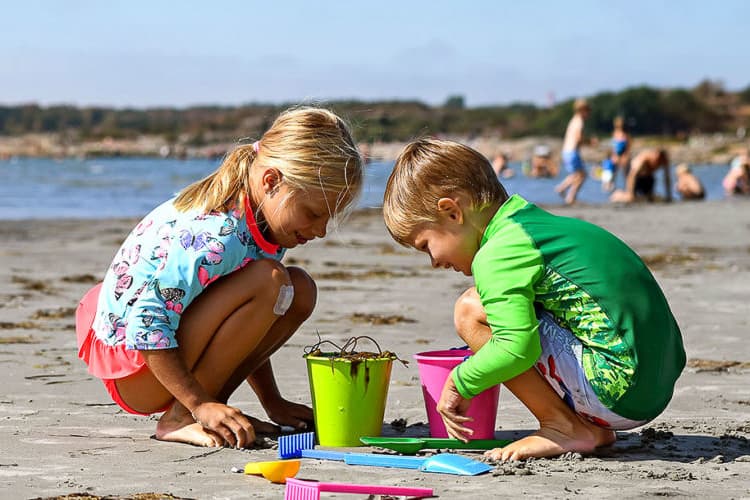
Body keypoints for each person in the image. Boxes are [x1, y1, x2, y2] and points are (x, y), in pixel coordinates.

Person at [75, 107, 363, 448]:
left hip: (166, 356)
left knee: (298, 289)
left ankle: (210, 408)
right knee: (271, 281)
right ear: (271, 182)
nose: (320, 230)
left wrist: (273, 402)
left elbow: (247, 322)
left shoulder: (262, 223)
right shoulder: (218, 235)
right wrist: (198, 405)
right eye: (313, 213)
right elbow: (147, 322)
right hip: (136, 368)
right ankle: (182, 416)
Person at [382, 138, 685, 461]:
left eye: (426, 245)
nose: (434, 262)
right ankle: (588, 427)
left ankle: (562, 426)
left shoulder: (498, 253)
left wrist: (460, 381)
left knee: (470, 310)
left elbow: (516, 348)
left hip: (617, 389)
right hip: (654, 383)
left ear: (452, 211)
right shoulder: (533, 227)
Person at [555, 98, 591, 204]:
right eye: (588, 111)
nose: (589, 114)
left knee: (577, 175)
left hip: (567, 151)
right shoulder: (579, 121)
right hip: (572, 152)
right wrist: (589, 142)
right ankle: (570, 197)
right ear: (582, 110)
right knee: (582, 175)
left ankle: (563, 190)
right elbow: (578, 138)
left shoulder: (574, 120)